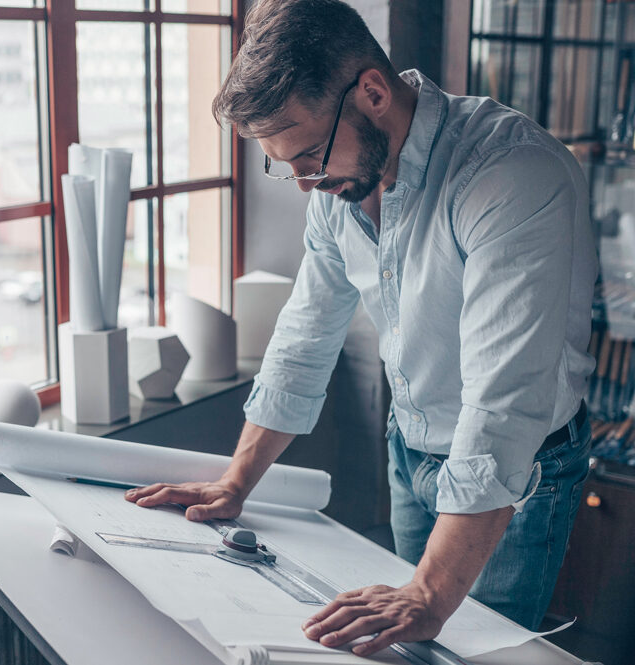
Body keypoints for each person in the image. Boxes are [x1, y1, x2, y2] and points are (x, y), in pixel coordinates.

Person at [125, 0, 597, 657]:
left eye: (308, 154)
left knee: (475, 649)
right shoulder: (339, 185)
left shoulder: (512, 175)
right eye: (281, 162)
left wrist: (431, 591)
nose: (300, 183)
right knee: (411, 649)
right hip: (410, 444)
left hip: (520, 466)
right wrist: (236, 480)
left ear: (371, 92)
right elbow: (305, 332)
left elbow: (503, 404)